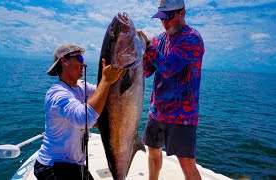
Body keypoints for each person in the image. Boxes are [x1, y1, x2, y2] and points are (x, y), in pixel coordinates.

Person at [33, 43, 123, 180]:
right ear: (64, 60)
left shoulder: (82, 86)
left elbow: (105, 93)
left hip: (75, 165)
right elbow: (83, 118)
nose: (83, 63)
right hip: (52, 166)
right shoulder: (56, 94)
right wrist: (106, 80)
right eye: (80, 59)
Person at [137, 0, 205, 179]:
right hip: (157, 111)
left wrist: (148, 47)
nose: (165, 22)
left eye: (169, 16)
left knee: (186, 161)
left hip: (183, 115)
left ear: (182, 12)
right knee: (152, 151)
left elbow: (168, 68)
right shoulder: (159, 40)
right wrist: (140, 52)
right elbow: (146, 72)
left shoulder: (192, 38)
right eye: (162, 17)